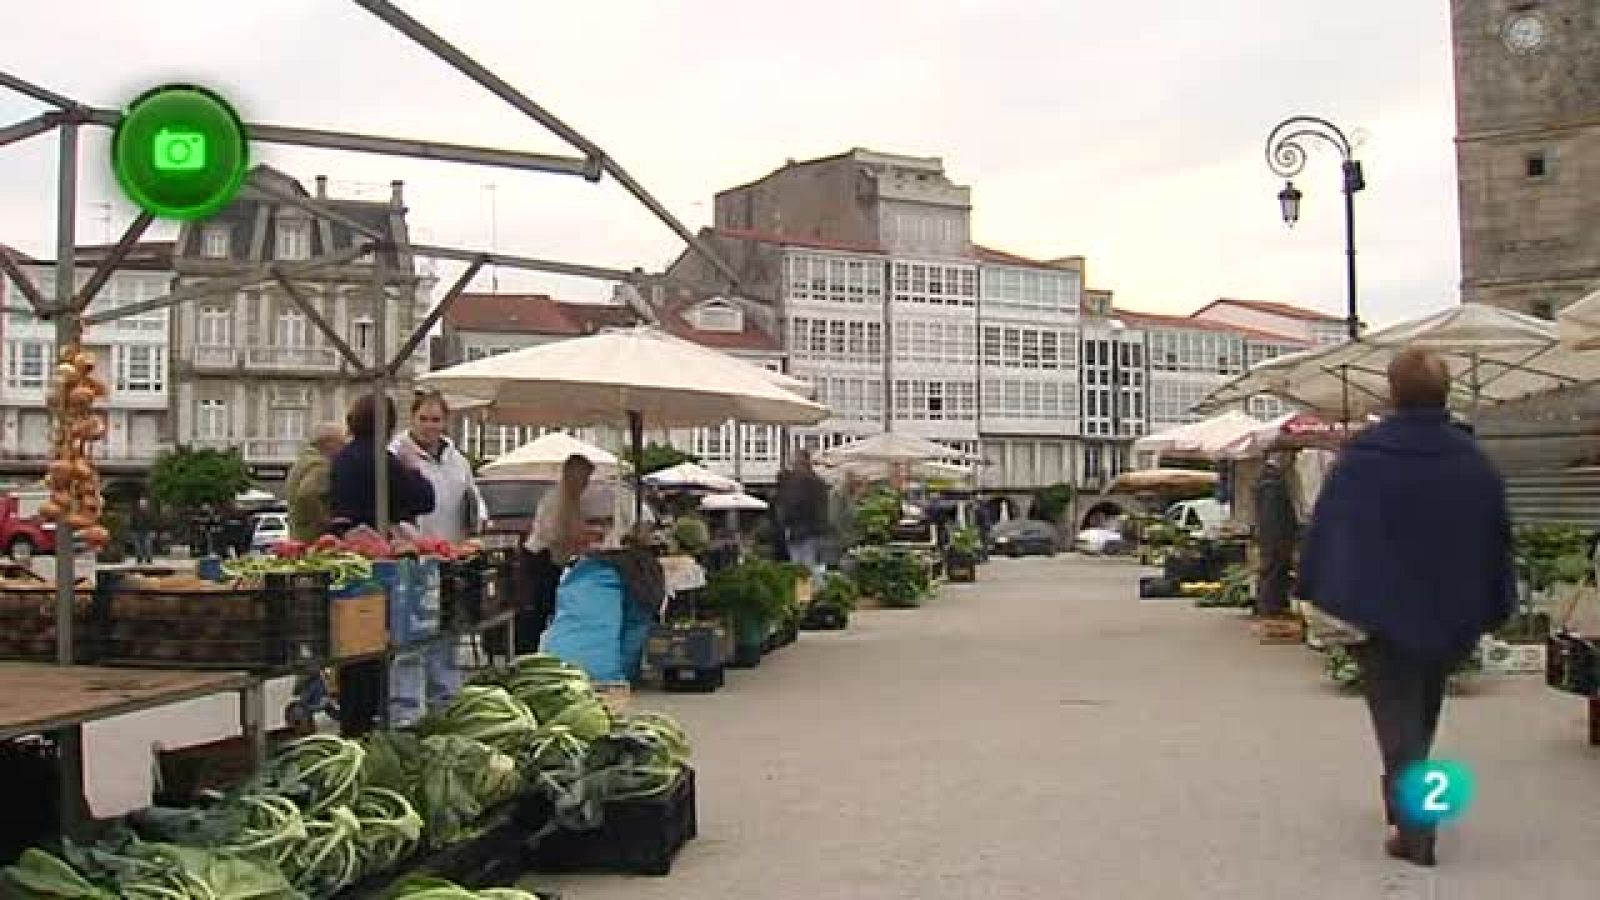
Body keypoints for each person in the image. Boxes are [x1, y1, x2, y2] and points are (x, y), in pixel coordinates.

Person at [1298, 347, 1514, 868]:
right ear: (1445, 395)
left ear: (1392, 394)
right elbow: (1497, 536)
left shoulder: (1366, 457)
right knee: (1421, 713)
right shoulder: (1472, 461)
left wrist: (1324, 585)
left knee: (1398, 723)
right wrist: (1492, 600)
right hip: (1450, 609)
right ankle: (1412, 805)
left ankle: (1417, 827)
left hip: (1384, 608)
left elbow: (1333, 528)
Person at [326, 392, 435, 738]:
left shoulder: (342, 458)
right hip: (376, 563)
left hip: (345, 557)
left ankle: (352, 721)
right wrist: (413, 468)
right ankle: (366, 724)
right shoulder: (382, 460)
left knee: (350, 647)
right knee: (373, 646)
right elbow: (423, 499)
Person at [391, 391, 487, 713]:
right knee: (410, 642)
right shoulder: (395, 456)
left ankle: (444, 710)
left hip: (450, 561)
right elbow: (392, 512)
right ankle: (406, 716)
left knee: (447, 636)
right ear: (412, 419)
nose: (430, 426)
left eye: (436, 419)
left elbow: (473, 501)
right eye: (424, 419)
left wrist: (476, 529)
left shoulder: (457, 460)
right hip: (410, 562)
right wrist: (411, 541)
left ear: (446, 422)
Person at [519, 454, 596, 654]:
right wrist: (579, 541)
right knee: (537, 611)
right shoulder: (554, 500)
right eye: (584, 478)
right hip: (540, 559)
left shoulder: (573, 500)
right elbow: (554, 534)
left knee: (547, 609)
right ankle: (527, 654)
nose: (586, 484)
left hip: (554, 560)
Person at [1252, 455, 1298, 617]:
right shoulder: (1272, 481)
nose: (1292, 461)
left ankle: (1267, 607)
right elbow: (1273, 514)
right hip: (1275, 536)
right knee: (1274, 569)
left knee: (1270, 569)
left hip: (1270, 535)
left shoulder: (1266, 479)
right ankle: (1271, 609)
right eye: (1291, 457)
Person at [774, 450, 830, 580]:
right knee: (815, 567)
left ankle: (804, 598)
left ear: (799, 462)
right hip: (819, 530)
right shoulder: (820, 482)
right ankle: (817, 595)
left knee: (801, 570)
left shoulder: (796, 482)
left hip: (799, 531)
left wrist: (784, 522)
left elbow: (791, 504)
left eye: (794, 461)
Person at [286, 423, 347, 542]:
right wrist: (324, 521)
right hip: (313, 537)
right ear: (328, 443)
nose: (343, 448)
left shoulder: (301, 462)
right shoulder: (320, 465)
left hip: (297, 533)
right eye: (341, 443)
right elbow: (306, 493)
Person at [130, 497, 157, 564]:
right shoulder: (135, 513)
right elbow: (132, 523)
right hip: (137, 531)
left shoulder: (150, 513)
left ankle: (149, 558)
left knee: (147, 545)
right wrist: (132, 531)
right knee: (138, 546)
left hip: (147, 531)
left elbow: (153, 522)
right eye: (141, 504)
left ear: (146, 505)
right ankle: (139, 558)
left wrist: (153, 531)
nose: (142, 505)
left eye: (143, 504)